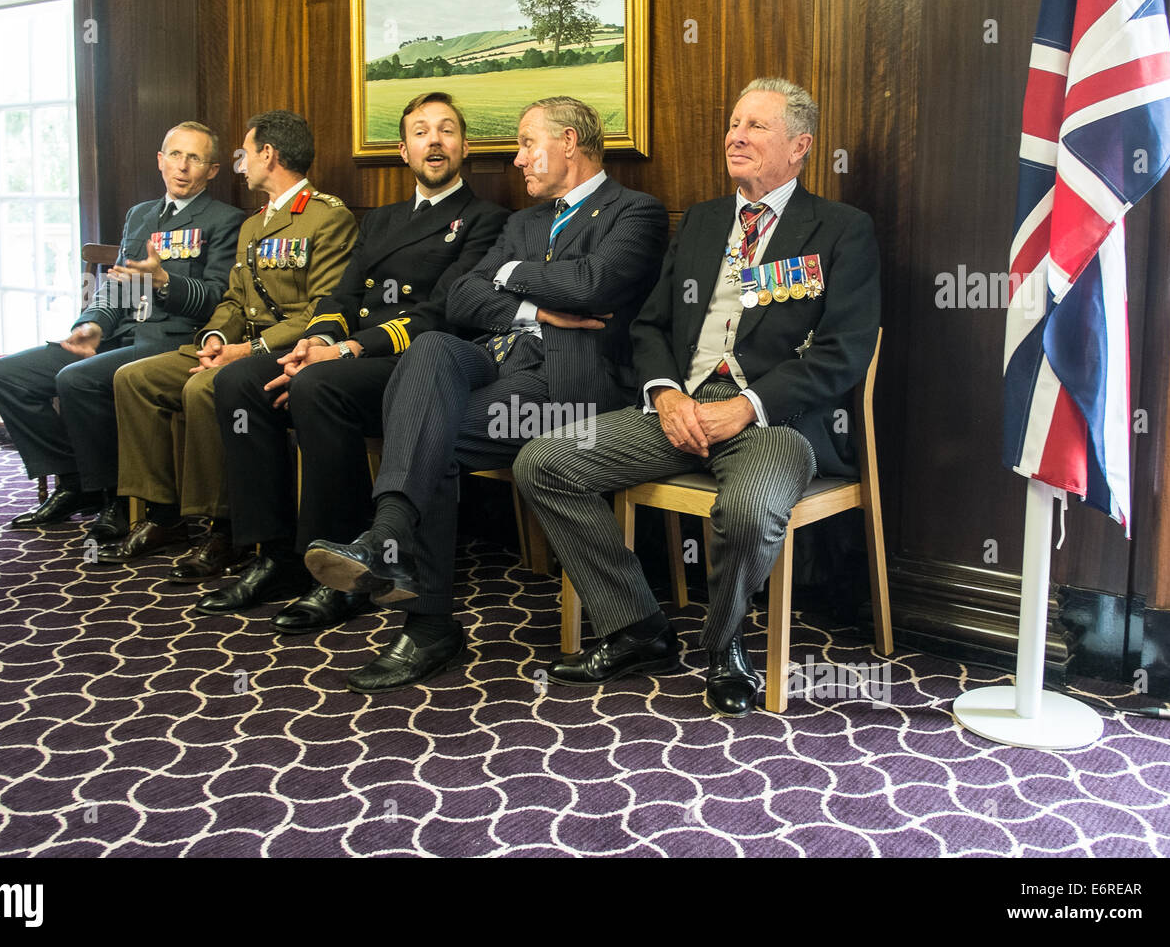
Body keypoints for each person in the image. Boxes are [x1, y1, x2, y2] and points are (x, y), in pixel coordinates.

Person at [513, 78, 882, 718]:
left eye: (756, 127)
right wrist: (664, 396)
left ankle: (723, 647)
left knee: (746, 510)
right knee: (542, 463)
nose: (735, 135)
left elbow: (844, 349)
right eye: (733, 123)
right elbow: (652, 325)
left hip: (773, 423)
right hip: (679, 411)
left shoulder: (842, 229)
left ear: (801, 147)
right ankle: (636, 626)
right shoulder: (705, 221)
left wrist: (748, 406)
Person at [304, 96, 669, 693]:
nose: (519, 159)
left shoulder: (637, 213)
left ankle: (424, 618)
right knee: (430, 353)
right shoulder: (524, 222)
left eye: (529, 144)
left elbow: (594, 283)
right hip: (499, 371)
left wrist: (507, 276)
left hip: (572, 396)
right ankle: (392, 541)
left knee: (431, 431)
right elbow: (459, 300)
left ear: (571, 143)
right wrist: (537, 305)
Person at [200, 93, 509, 629]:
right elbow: (341, 296)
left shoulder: (488, 219)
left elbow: (443, 311)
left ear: (465, 146)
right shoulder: (381, 219)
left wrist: (342, 350)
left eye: (446, 131)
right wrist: (311, 342)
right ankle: (278, 554)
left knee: (319, 387)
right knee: (240, 381)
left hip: (415, 363)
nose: (434, 141)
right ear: (403, 149)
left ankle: (340, 572)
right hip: (346, 352)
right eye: (420, 132)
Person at [103, 110, 357, 581]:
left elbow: (321, 311)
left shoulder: (328, 217)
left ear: (268, 154)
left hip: (286, 351)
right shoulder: (254, 223)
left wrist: (250, 348)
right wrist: (218, 337)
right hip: (236, 345)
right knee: (134, 378)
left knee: (204, 388)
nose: (240, 162)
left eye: (245, 152)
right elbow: (235, 299)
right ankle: (163, 515)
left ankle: (224, 526)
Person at [0, 122, 243, 536]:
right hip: (121, 336)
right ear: (160, 160)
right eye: (175, 155)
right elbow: (117, 287)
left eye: (195, 159)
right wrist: (90, 325)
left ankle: (114, 498)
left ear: (211, 170)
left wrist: (166, 284)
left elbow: (218, 298)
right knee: (6, 375)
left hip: (169, 342)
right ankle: (73, 481)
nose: (182, 167)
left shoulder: (224, 220)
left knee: (77, 381)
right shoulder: (140, 215)